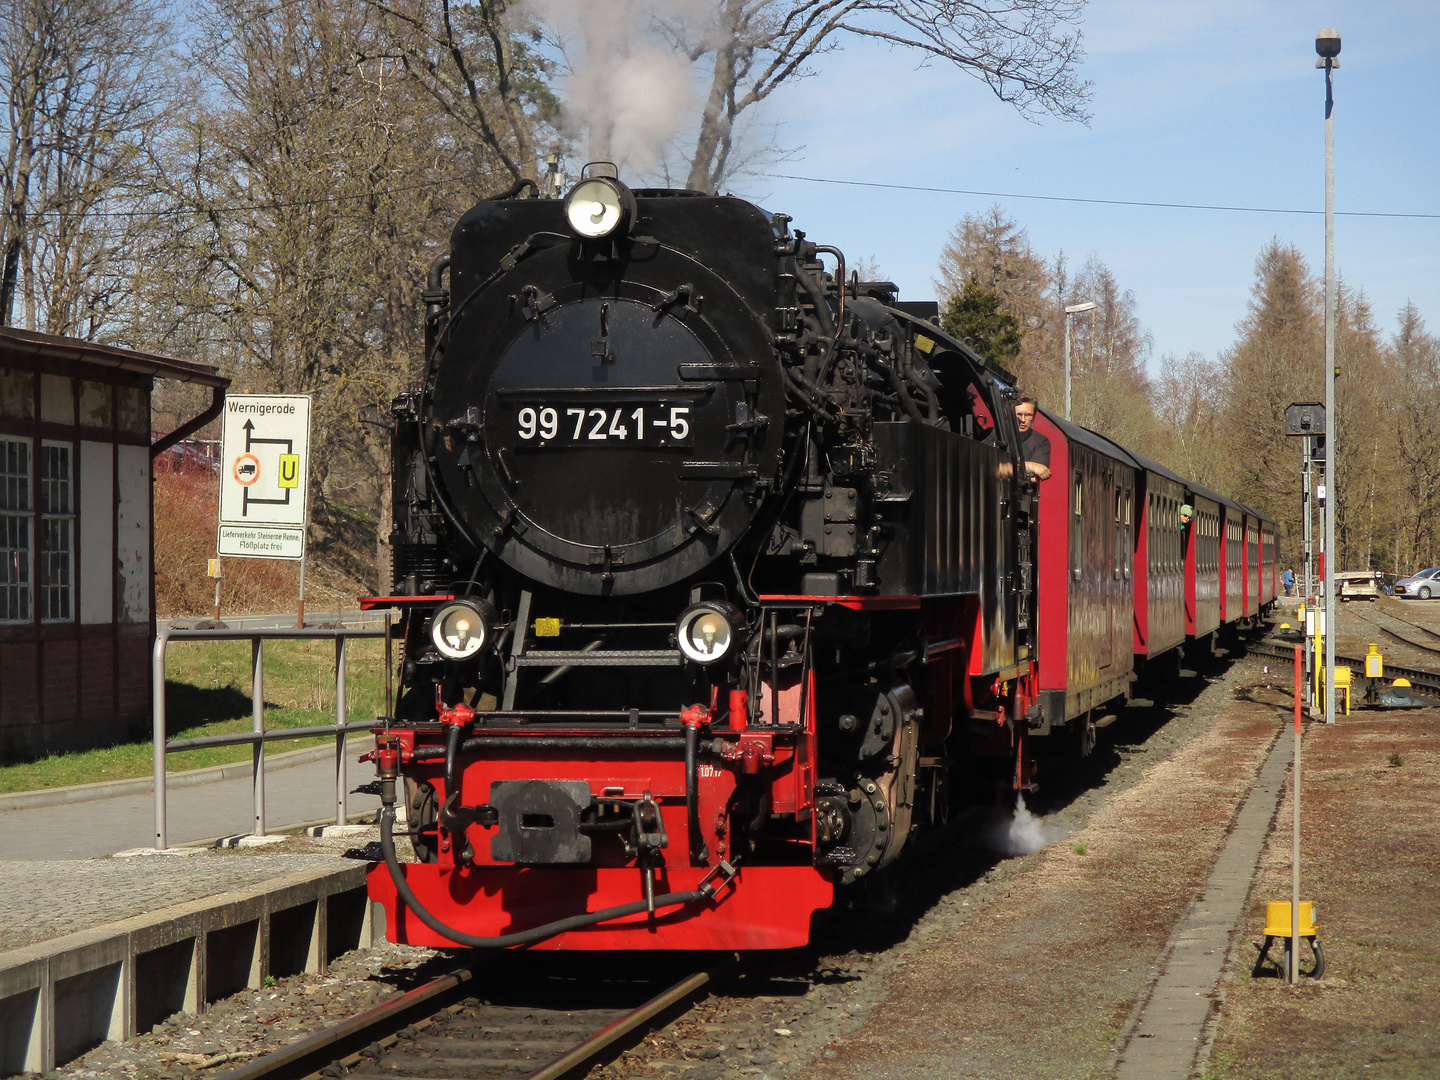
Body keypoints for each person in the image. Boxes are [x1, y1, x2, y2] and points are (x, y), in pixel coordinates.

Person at [1014, 395, 1051, 481]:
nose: (1023, 420)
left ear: (1034, 417)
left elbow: (1035, 478)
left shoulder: (1041, 441)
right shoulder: (995, 435)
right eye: (1019, 414)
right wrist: (1031, 466)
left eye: (1028, 415)